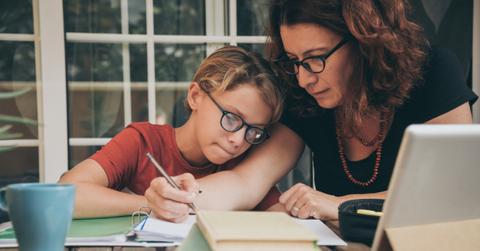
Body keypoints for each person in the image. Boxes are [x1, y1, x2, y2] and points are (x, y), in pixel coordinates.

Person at [264, 0, 478, 220]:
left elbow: (452, 193)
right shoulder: (305, 98)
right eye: (293, 61)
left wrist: (340, 205)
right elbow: (246, 180)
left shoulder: (433, 73)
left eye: (316, 57)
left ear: (364, 41)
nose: (303, 79)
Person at [59, 46, 285, 222]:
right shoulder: (143, 141)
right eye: (232, 118)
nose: (238, 140)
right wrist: (152, 204)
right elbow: (65, 195)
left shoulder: (245, 164)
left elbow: (282, 220)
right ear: (195, 96)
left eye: (253, 131)